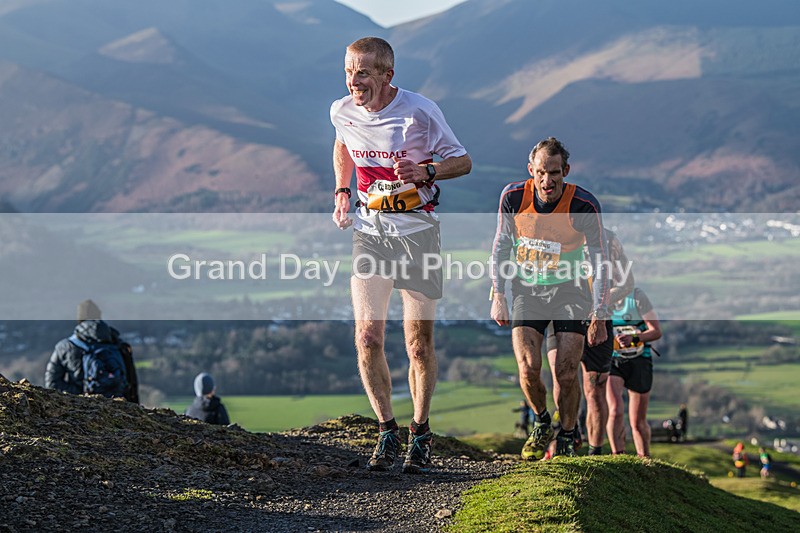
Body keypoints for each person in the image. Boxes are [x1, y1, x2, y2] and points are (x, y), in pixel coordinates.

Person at [330, 37, 472, 473]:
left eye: (365, 73)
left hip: (417, 233)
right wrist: (341, 190)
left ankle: (420, 432)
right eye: (350, 72)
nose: (355, 81)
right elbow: (343, 144)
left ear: (387, 76)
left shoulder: (420, 111)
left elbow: (463, 161)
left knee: (417, 344)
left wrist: (427, 170)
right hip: (370, 234)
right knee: (367, 337)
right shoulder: (341, 110)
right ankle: (386, 431)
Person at [490, 137, 611, 460]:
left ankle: (569, 434)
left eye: (555, 173)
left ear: (565, 171)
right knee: (529, 367)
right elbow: (501, 245)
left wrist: (600, 313)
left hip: (570, 292)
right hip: (527, 291)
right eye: (541, 173)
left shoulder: (583, 204)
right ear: (531, 171)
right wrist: (498, 293)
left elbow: (600, 261)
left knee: (567, 371)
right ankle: (542, 422)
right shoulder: (513, 196)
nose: (548, 181)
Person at [545, 228, 635, 455]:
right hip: (562, 317)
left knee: (594, 389)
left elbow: (627, 283)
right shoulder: (555, 234)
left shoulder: (608, 239)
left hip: (598, 320)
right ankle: (568, 434)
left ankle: (595, 452)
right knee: (560, 379)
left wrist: (598, 305)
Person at [45, 299, 139, 403]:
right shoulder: (118, 343)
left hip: (82, 407)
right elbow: (131, 383)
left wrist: (80, 395)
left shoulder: (65, 346)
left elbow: (52, 383)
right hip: (119, 406)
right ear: (99, 317)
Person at [606, 287, 662, 457]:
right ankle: (618, 455)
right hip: (612, 360)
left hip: (639, 360)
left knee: (637, 421)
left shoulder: (636, 297)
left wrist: (634, 338)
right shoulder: (599, 297)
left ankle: (644, 458)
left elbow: (656, 331)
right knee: (615, 410)